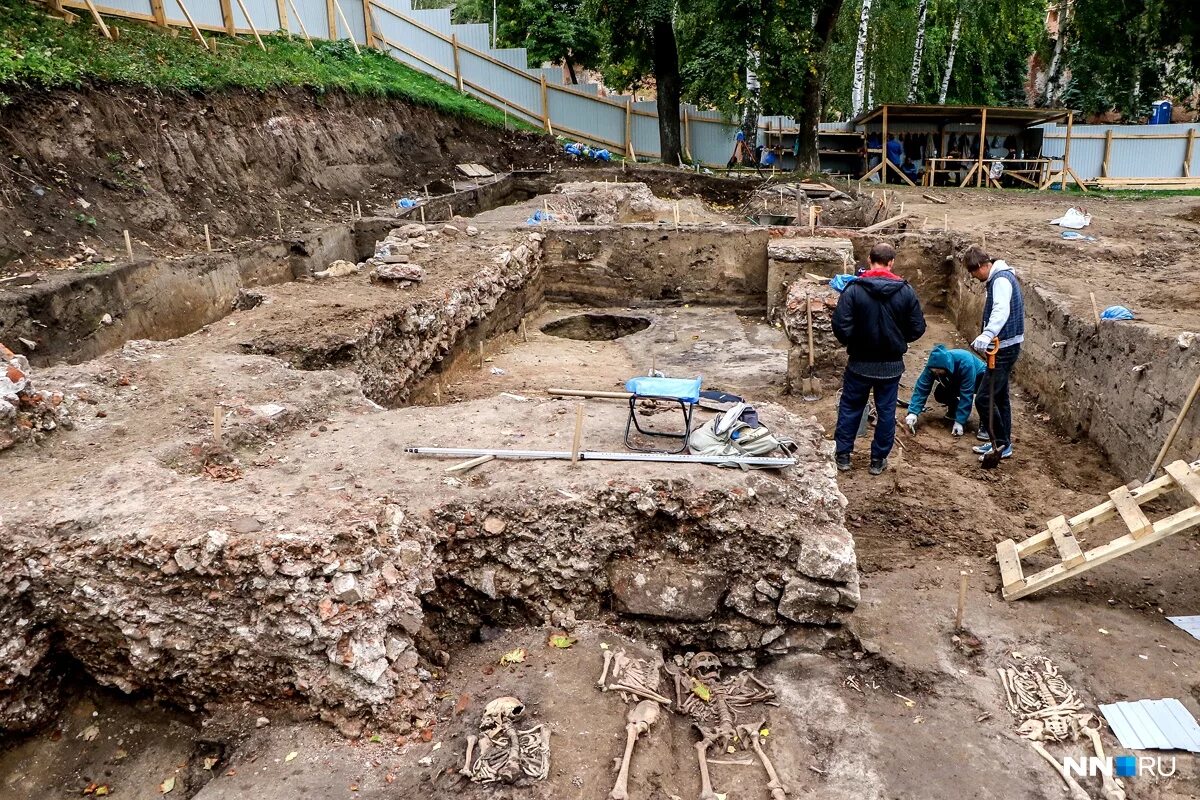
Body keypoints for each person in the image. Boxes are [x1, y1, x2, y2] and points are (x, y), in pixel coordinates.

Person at [832, 242, 927, 475]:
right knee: (886, 413)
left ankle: (843, 456)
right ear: (891, 262)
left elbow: (840, 325)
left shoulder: (853, 290)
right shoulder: (905, 291)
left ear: (869, 260)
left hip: (860, 363)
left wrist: (854, 342)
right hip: (891, 365)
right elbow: (918, 327)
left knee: (850, 407)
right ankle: (877, 460)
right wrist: (898, 339)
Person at [964, 246, 1024, 461]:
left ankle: (1000, 444)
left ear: (981, 266)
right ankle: (1001, 441)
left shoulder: (1000, 280)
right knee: (1000, 397)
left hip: (1005, 347)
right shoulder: (1001, 277)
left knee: (983, 398)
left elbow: (1001, 309)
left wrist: (988, 333)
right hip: (1006, 344)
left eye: (973, 272)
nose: (973, 277)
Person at [903, 344, 986, 437]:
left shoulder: (965, 362)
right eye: (934, 372)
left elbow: (967, 393)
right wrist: (913, 412)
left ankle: (986, 424)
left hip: (980, 378)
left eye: (938, 371)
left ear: (946, 367)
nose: (936, 373)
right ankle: (954, 410)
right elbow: (922, 387)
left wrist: (960, 421)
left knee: (983, 398)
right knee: (940, 393)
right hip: (955, 378)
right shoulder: (932, 366)